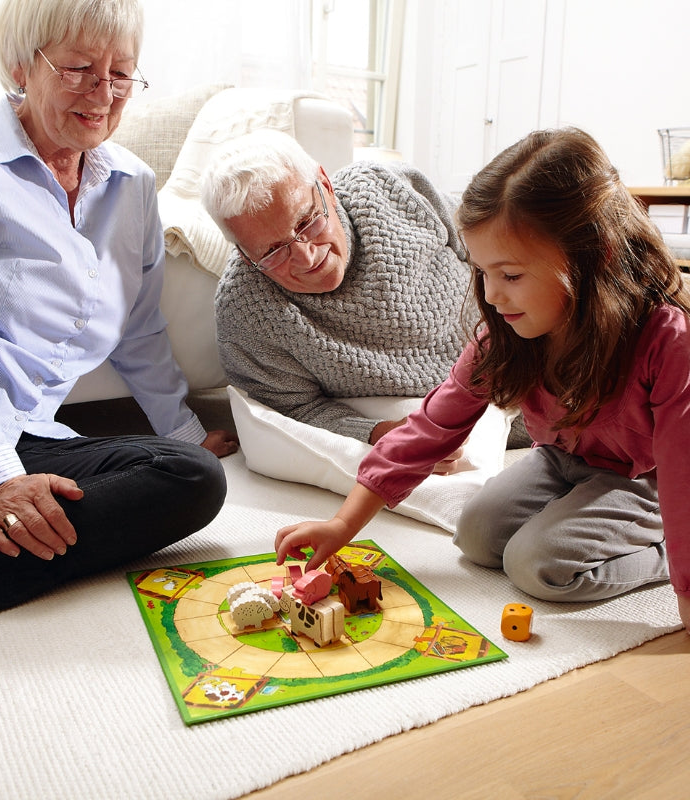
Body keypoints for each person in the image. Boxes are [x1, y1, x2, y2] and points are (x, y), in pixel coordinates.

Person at [0, 0, 237, 633]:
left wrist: (186, 433)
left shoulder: (132, 185)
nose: (103, 93)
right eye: (79, 68)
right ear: (22, 68)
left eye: (121, 73)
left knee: (195, 479)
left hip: (26, 436)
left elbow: (139, 332)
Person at [274, 127, 690, 633]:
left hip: (644, 478)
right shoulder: (510, 334)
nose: (492, 296)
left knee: (538, 567)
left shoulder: (665, 337)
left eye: (511, 276)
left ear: (592, 256)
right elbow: (428, 429)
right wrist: (343, 525)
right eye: (483, 273)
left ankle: (662, 552)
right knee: (476, 534)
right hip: (561, 460)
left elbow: (681, 474)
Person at [202, 129, 487, 458]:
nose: (307, 257)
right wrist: (378, 433)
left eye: (307, 222)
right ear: (243, 253)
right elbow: (295, 411)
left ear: (325, 185)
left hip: (523, 341)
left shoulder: (382, 186)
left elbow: (479, 240)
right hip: (466, 419)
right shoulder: (245, 313)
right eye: (272, 251)